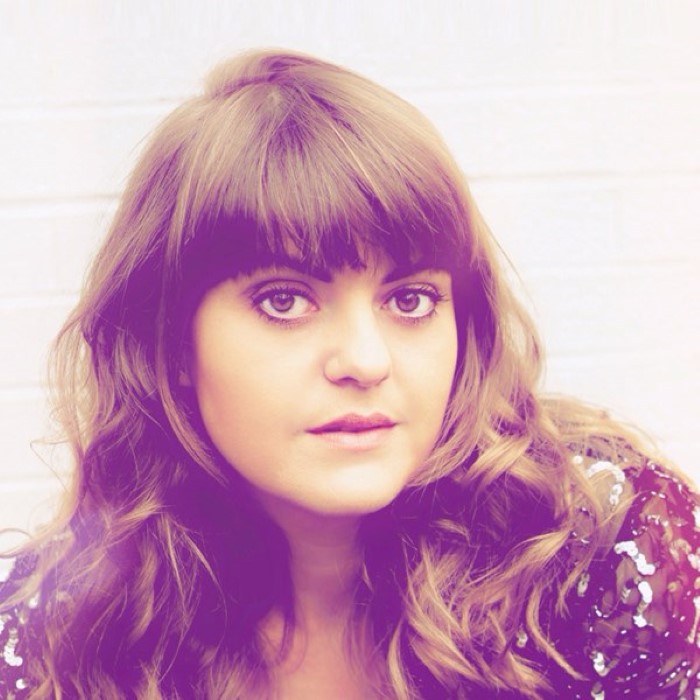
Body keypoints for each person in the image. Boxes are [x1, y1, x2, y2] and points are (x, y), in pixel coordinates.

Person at [0, 48, 698, 700]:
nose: (366, 361)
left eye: (410, 300)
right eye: (284, 300)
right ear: (171, 342)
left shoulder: (602, 544)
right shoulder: (66, 624)